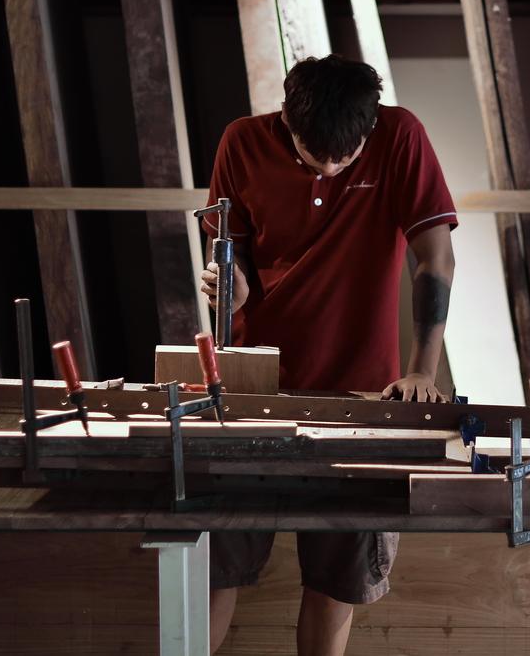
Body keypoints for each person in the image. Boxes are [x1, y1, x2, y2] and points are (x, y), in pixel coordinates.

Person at [199, 54, 457, 656]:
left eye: (349, 156)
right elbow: (229, 265)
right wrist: (228, 287)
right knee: (215, 569)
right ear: (287, 120)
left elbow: (435, 260)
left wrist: (422, 369)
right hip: (256, 389)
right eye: (321, 157)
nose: (337, 166)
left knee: (336, 580)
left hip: (360, 394)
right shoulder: (241, 142)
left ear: (370, 127)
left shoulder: (401, 136)